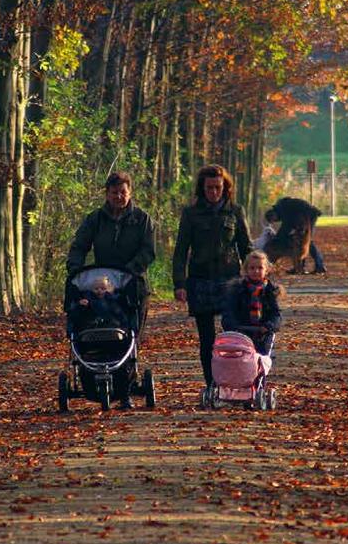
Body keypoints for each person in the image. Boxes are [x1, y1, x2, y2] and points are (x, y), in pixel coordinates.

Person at [67, 171, 155, 408]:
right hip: (101, 285)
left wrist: (128, 272)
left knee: (129, 336)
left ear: (130, 193)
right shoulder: (95, 219)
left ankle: (126, 391)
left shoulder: (142, 219)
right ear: (107, 194)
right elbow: (79, 245)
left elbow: (148, 251)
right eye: (114, 192)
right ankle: (94, 379)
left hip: (132, 285)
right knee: (99, 330)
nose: (119, 196)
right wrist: (75, 269)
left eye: (123, 192)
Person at [172, 164, 253, 387]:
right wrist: (179, 283)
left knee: (234, 336)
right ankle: (212, 384)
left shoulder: (236, 212)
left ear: (225, 188)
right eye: (209, 188)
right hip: (200, 280)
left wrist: (257, 276)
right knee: (207, 339)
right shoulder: (190, 214)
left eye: (217, 187)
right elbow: (181, 251)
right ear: (202, 188)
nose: (213, 192)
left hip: (230, 281)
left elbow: (246, 247)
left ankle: (234, 381)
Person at [221, 250, 282, 375]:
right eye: (252, 268)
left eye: (260, 268)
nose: (256, 271)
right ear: (246, 270)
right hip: (240, 333)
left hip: (262, 334)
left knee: (260, 362)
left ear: (267, 270)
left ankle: (257, 384)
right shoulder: (237, 290)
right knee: (236, 360)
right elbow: (229, 311)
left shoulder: (270, 291)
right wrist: (233, 326)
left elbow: (276, 314)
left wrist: (269, 326)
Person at [263, 197, 327, 274]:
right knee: (300, 241)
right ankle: (299, 268)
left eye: (274, 220)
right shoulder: (281, 208)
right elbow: (288, 225)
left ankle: (320, 266)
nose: (276, 221)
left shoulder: (283, 210)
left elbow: (286, 226)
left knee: (307, 241)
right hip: (302, 217)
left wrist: (278, 238)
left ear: (273, 214)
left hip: (309, 215)